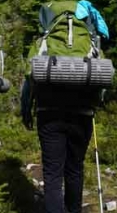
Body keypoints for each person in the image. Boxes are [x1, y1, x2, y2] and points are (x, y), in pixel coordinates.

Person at [22, 79, 94, 213]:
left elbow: (29, 78)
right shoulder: (91, 55)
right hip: (82, 114)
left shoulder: (42, 55)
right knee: (75, 169)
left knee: (53, 174)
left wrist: (26, 110)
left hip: (49, 113)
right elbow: (102, 78)